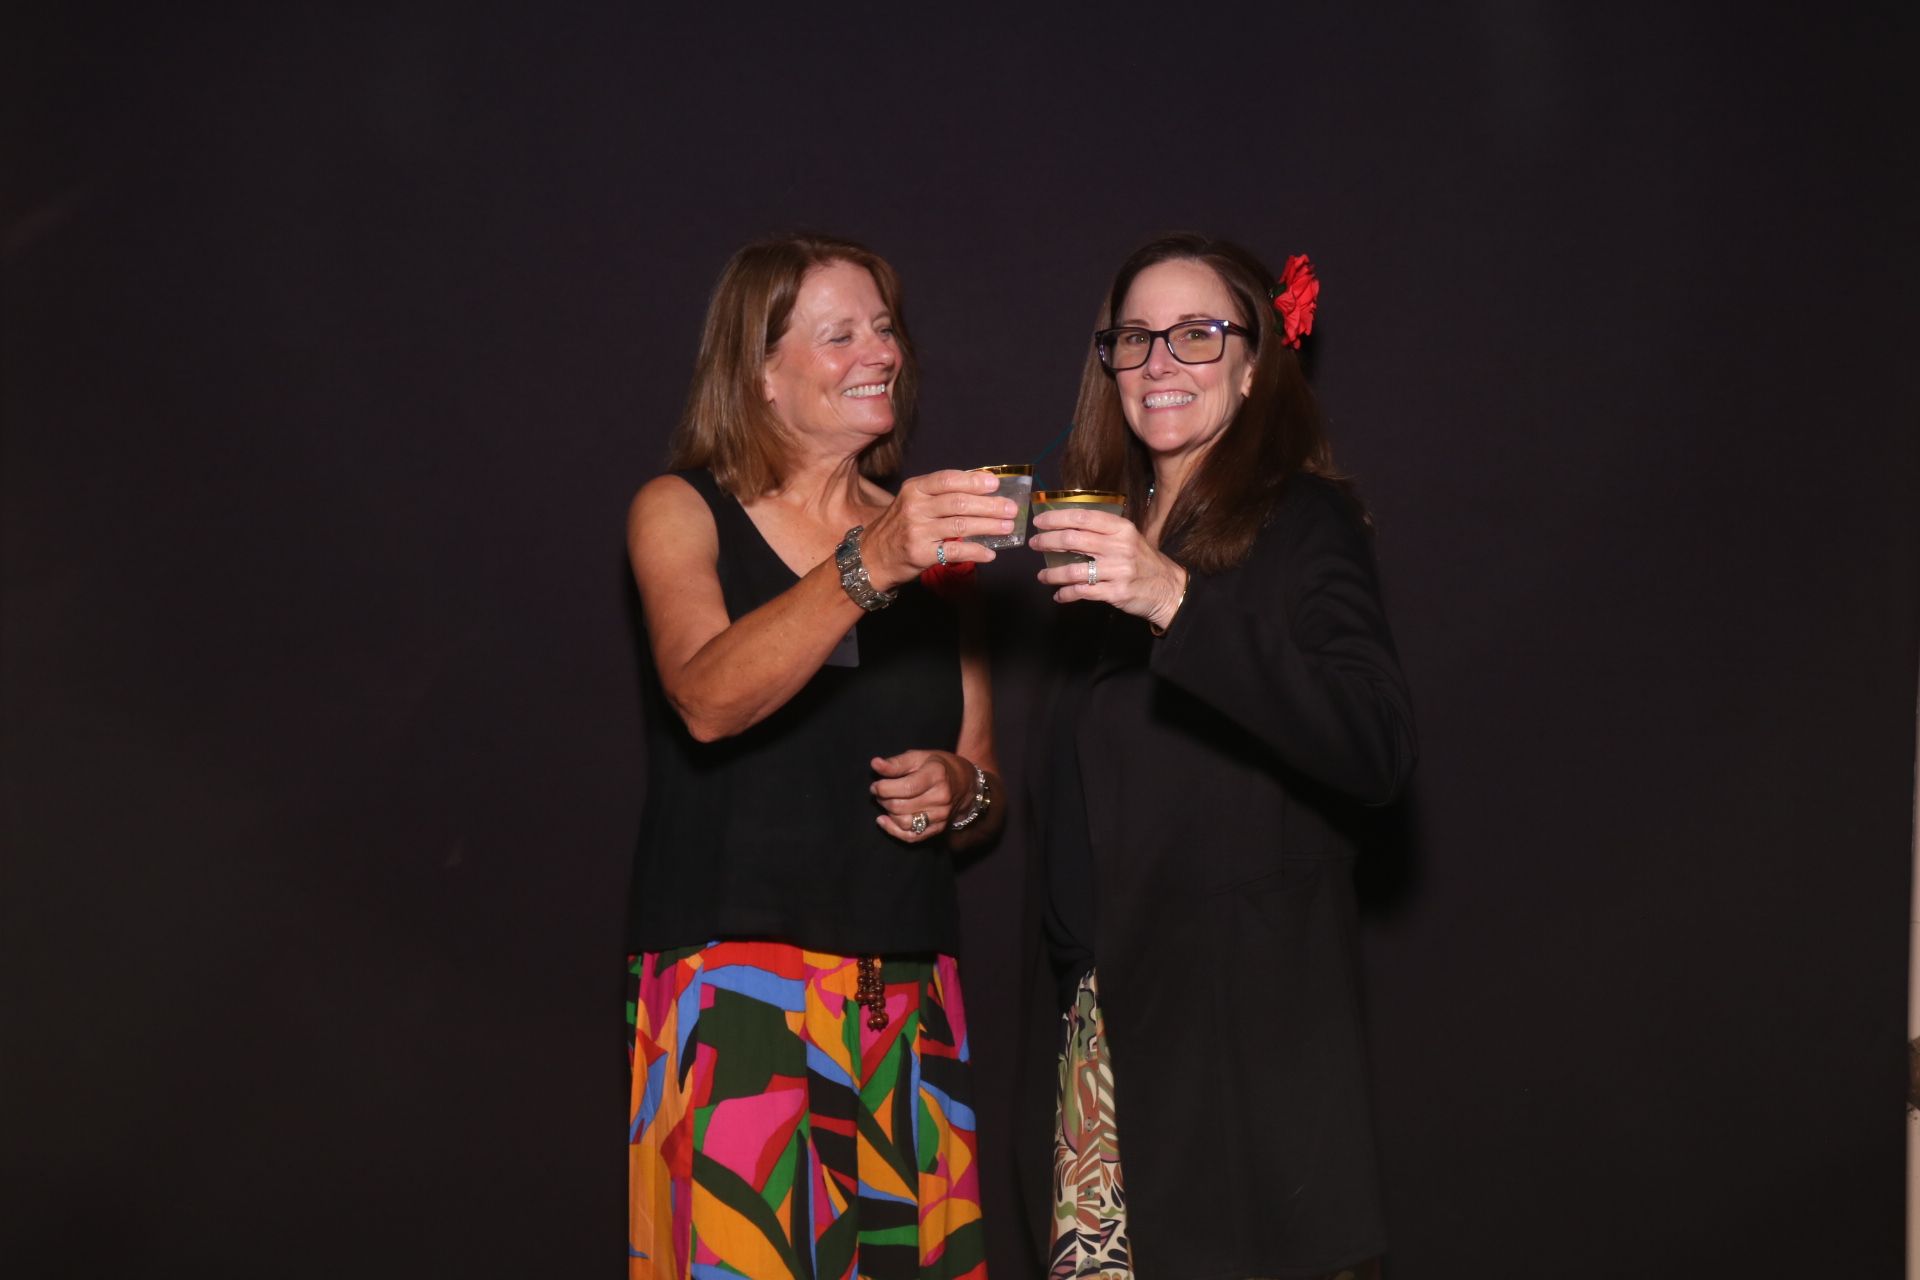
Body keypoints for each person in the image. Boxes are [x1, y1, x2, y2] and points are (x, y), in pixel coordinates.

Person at [1026, 234, 1417, 1279]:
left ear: (1253, 367)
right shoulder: (1101, 530)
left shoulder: (1303, 519)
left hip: (1243, 1046)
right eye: (1135, 337)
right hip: (1105, 1036)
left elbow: (1376, 744)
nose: (1160, 361)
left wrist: (1174, 599)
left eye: (1197, 334)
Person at [624, 233, 1011, 1280]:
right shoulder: (682, 510)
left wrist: (961, 791)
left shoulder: (936, 541)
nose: (880, 352)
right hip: (734, 986)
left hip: (904, 982)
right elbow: (706, 699)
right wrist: (871, 559)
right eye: (841, 334)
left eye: (884, 327)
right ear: (759, 372)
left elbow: (985, 785)